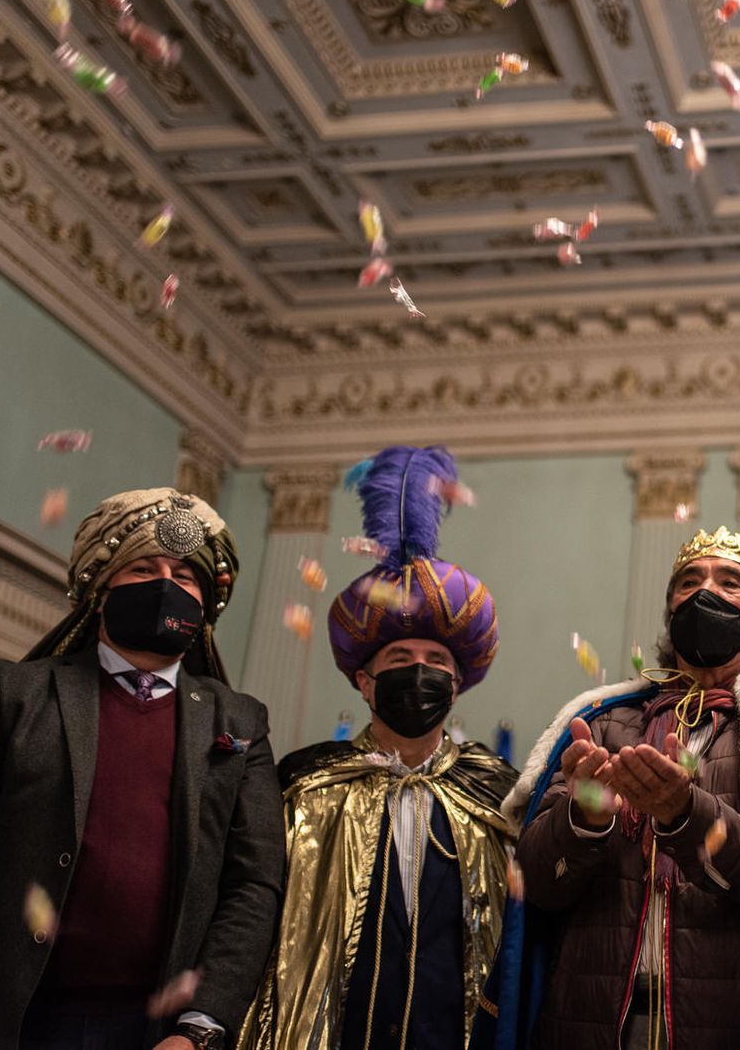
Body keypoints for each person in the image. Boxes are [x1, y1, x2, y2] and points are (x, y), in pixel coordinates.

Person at [480, 526, 740, 1050]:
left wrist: (686, 815)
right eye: (688, 582)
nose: (705, 593)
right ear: (670, 610)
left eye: (730, 582)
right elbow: (536, 887)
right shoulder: (602, 724)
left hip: (739, 1024)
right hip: (589, 1020)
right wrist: (582, 820)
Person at [0, 488, 284, 1050]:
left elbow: (254, 884)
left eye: (186, 576)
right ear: (99, 593)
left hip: (156, 1032)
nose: (167, 585)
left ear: (206, 606)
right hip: (6, 1021)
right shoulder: (12, 696)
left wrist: (200, 1026)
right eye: (144, 568)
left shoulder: (241, 720)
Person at [239, 446, 517, 1050]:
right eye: (399, 660)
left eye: (436, 662)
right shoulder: (303, 783)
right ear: (365, 682)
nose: (419, 673)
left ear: (456, 684)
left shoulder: (500, 790)